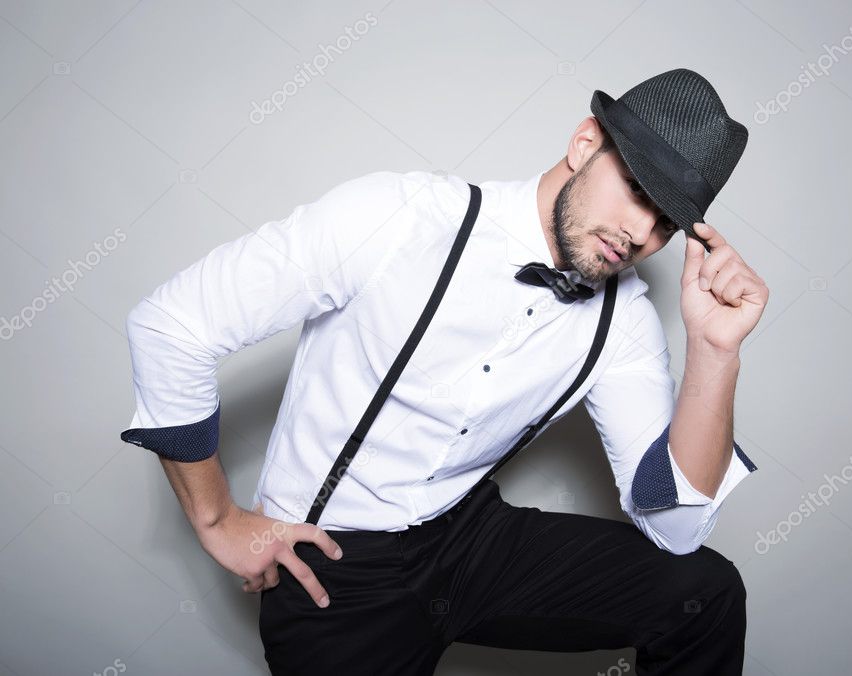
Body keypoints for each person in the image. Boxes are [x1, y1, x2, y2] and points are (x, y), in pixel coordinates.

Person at [118, 68, 768, 675]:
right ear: (583, 143)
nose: (639, 232)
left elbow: (675, 527)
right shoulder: (400, 217)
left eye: (666, 223)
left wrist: (716, 352)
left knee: (703, 594)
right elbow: (173, 326)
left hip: (466, 537)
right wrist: (216, 520)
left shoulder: (622, 319)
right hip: (335, 566)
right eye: (636, 189)